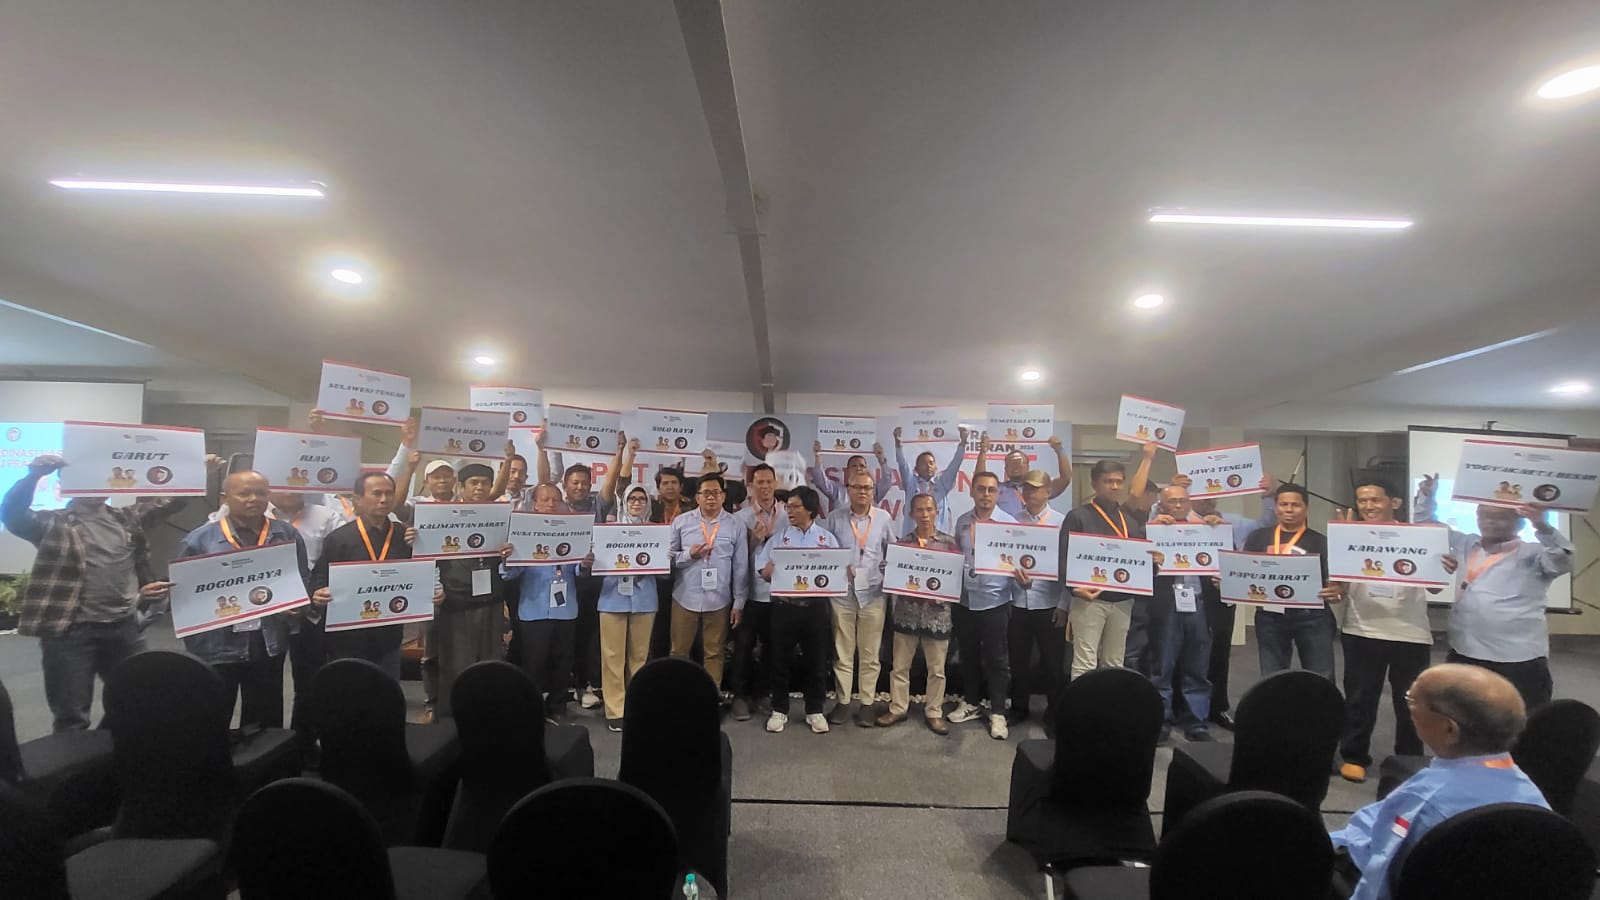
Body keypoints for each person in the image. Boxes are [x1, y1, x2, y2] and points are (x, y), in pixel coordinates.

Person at [1331, 664, 1549, 900]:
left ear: (1448, 729)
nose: (1409, 706)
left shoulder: (1424, 802)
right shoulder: (1531, 795)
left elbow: (1378, 880)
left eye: (1413, 700)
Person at [2, 453, 179, 732]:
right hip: (71, 631)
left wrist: (199, 471)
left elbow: (170, 502)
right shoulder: (52, 523)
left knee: (137, 698)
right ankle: (80, 756)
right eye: (83, 480)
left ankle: (106, 748)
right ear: (67, 484)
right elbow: (12, 514)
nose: (93, 486)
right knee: (72, 715)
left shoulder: (127, 519)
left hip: (124, 626)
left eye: (98, 479)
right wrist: (34, 475)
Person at [1414, 474, 1572, 708]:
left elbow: (1563, 559)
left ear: (1520, 523)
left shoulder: (1534, 553)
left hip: (1517, 658)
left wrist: (1542, 525)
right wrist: (1427, 496)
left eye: (1500, 518)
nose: (1490, 522)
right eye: (1484, 515)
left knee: (1522, 718)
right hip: (1465, 650)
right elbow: (1427, 527)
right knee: (1465, 715)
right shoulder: (1466, 544)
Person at [175, 471, 311, 730]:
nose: (253, 499)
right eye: (244, 493)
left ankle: (263, 756)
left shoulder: (286, 535)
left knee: (265, 721)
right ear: (225, 498)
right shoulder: (200, 540)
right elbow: (184, 593)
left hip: (267, 641)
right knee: (211, 717)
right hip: (217, 643)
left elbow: (301, 576)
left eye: (260, 493)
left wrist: (295, 604)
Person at [1336, 479, 1439, 784]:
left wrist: (1441, 566)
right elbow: (1339, 584)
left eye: (1375, 500)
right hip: (1361, 628)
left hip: (1410, 632)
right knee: (1359, 698)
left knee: (1410, 701)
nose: (1368, 506)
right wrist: (1335, 589)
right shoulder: (1348, 535)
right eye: (1362, 500)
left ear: (1394, 503)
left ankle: (1408, 758)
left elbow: (1435, 586)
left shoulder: (1416, 537)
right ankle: (1354, 756)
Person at [310, 472, 415, 679]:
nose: (384, 499)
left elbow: (418, 576)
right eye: (377, 493)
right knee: (350, 690)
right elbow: (319, 577)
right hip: (348, 636)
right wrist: (317, 593)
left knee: (387, 689)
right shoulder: (339, 538)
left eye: (389, 494)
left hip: (389, 633)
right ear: (358, 499)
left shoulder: (404, 536)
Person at [430, 463, 514, 719]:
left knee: (490, 661)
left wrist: (509, 553)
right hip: (456, 601)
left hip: (491, 599)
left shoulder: (502, 516)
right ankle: (452, 717)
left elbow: (512, 556)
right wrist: (436, 587)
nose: (480, 488)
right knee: (456, 662)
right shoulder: (443, 516)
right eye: (473, 482)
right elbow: (430, 557)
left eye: (485, 483)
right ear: (461, 486)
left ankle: (487, 714)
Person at [1147, 484, 1228, 743]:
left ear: (1190, 502)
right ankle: (1160, 720)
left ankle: (1196, 722)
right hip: (1166, 605)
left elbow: (1230, 562)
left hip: (1200, 604)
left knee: (1197, 666)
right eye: (1172, 501)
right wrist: (1150, 541)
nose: (1178, 505)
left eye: (1183, 500)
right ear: (1161, 504)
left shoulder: (1208, 528)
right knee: (1162, 666)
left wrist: (1218, 531)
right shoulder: (1152, 530)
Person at [755, 486, 838, 733]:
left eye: (795, 506)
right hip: (785, 607)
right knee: (780, 659)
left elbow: (838, 571)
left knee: (816, 659)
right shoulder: (779, 538)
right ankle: (779, 710)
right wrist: (768, 571)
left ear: (810, 509)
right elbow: (762, 570)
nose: (789, 511)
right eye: (788, 507)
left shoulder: (826, 539)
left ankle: (815, 710)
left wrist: (845, 571)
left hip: (815, 608)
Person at [1241, 483, 1344, 679]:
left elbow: (1334, 582)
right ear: (1275, 507)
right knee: (1272, 676)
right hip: (1270, 615)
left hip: (1312, 616)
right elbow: (1243, 571)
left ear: (1306, 508)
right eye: (1283, 504)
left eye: (1295, 505)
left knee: (1320, 675)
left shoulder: (1320, 541)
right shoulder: (1258, 538)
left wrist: (1337, 591)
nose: (1289, 509)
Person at [1060, 460, 1148, 680]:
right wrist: (1073, 589)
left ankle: (1111, 702)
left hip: (1123, 602)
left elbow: (1138, 561)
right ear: (1095, 484)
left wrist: (1153, 563)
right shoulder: (1078, 516)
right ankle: (1081, 704)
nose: (1115, 486)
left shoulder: (1130, 521)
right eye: (1108, 481)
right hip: (1090, 600)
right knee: (1085, 663)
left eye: (1119, 481)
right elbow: (1064, 557)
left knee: (1115, 663)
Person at [876, 494, 957, 735]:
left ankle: (934, 712)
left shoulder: (949, 544)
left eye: (929, 509)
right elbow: (891, 574)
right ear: (911, 514)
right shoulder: (901, 545)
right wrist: (888, 569)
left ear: (936, 512)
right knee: (900, 667)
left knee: (937, 670)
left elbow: (956, 578)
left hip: (937, 615)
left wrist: (948, 590)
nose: (925, 515)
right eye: (919, 510)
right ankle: (898, 708)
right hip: (907, 614)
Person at [502, 483, 580, 719]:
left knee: (563, 662)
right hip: (533, 609)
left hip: (566, 608)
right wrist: (508, 559)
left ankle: (558, 707)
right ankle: (532, 709)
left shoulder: (573, 531)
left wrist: (585, 563)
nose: (550, 504)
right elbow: (509, 575)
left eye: (555, 500)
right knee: (534, 663)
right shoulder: (522, 533)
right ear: (535, 503)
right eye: (545, 499)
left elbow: (579, 570)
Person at [950, 471, 1018, 740]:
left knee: (997, 659)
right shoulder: (962, 522)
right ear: (972, 492)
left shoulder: (1009, 524)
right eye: (981, 489)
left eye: (991, 489)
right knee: (967, 655)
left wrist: (1023, 577)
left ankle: (998, 711)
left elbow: (1019, 562)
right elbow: (957, 557)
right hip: (965, 600)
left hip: (995, 600)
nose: (986, 494)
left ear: (998, 493)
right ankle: (971, 702)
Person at [825, 471, 893, 726]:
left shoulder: (884, 518)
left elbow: (892, 550)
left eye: (867, 488)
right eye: (857, 487)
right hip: (842, 594)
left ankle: (867, 703)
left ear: (873, 491)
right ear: (848, 489)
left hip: (874, 593)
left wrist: (886, 568)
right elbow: (826, 551)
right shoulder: (835, 518)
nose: (863, 492)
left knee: (870, 651)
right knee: (842, 650)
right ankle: (843, 702)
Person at [668, 471, 748, 691]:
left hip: (719, 599)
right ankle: (675, 694)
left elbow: (741, 566)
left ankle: (711, 697)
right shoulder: (681, 522)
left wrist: (739, 602)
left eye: (716, 492)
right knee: (678, 651)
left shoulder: (736, 525)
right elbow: (667, 558)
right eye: (706, 493)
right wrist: (689, 555)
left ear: (723, 496)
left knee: (714, 652)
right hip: (684, 597)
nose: (711, 497)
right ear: (697, 497)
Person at [594, 483, 659, 731]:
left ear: (648, 503)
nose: (637, 503)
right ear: (624, 502)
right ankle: (615, 710)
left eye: (642, 499)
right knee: (612, 656)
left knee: (639, 657)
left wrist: (665, 559)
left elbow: (666, 567)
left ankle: (637, 704)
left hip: (645, 600)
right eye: (632, 498)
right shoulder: (608, 531)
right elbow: (597, 561)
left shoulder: (657, 532)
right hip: (612, 598)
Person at [1006, 471, 1066, 734]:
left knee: (1053, 663)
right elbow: (1005, 559)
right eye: (1027, 489)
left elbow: (1067, 567)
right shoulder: (1012, 521)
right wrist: (1012, 578)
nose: (1030, 493)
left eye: (1036, 489)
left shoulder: (1062, 523)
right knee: (1018, 661)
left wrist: (1064, 604)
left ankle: (1054, 713)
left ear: (1048, 492)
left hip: (1050, 603)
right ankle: (1019, 708)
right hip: (1018, 602)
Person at [729, 463, 781, 720]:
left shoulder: (788, 514)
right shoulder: (741, 518)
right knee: (743, 646)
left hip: (779, 594)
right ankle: (740, 696)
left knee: (772, 647)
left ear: (776, 483)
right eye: (759, 482)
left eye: (769, 481)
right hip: (750, 593)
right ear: (751, 486)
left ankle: (762, 694)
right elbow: (735, 558)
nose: (765, 487)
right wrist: (754, 541)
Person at [892, 425, 969, 534]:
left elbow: (955, 465)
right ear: (916, 469)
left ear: (936, 468)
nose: (928, 466)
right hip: (913, 538)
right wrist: (898, 444)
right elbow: (902, 464)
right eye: (924, 463)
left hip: (938, 539)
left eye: (931, 463)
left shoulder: (942, 483)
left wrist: (963, 443)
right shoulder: (911, 483)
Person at [973, 433, 1071, 519]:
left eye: (1019, 462)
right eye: (1011, 464)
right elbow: (979, 480)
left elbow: (1065, 478)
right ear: (1005, 469)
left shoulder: (1041, 486)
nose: (1015, 466)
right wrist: (983, 452)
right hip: (1006, 531)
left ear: (1028, 466)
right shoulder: (998, 489)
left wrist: (1059, 450)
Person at [808, 444, 890, 514]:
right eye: (854, 466)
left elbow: (887, 481)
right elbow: (820, 481)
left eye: (862, 466)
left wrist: (881, 458)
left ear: (866, 470)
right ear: (847, 471)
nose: (858, 468)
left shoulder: (872, 490)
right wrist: (818, 456)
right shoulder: (837, 490)